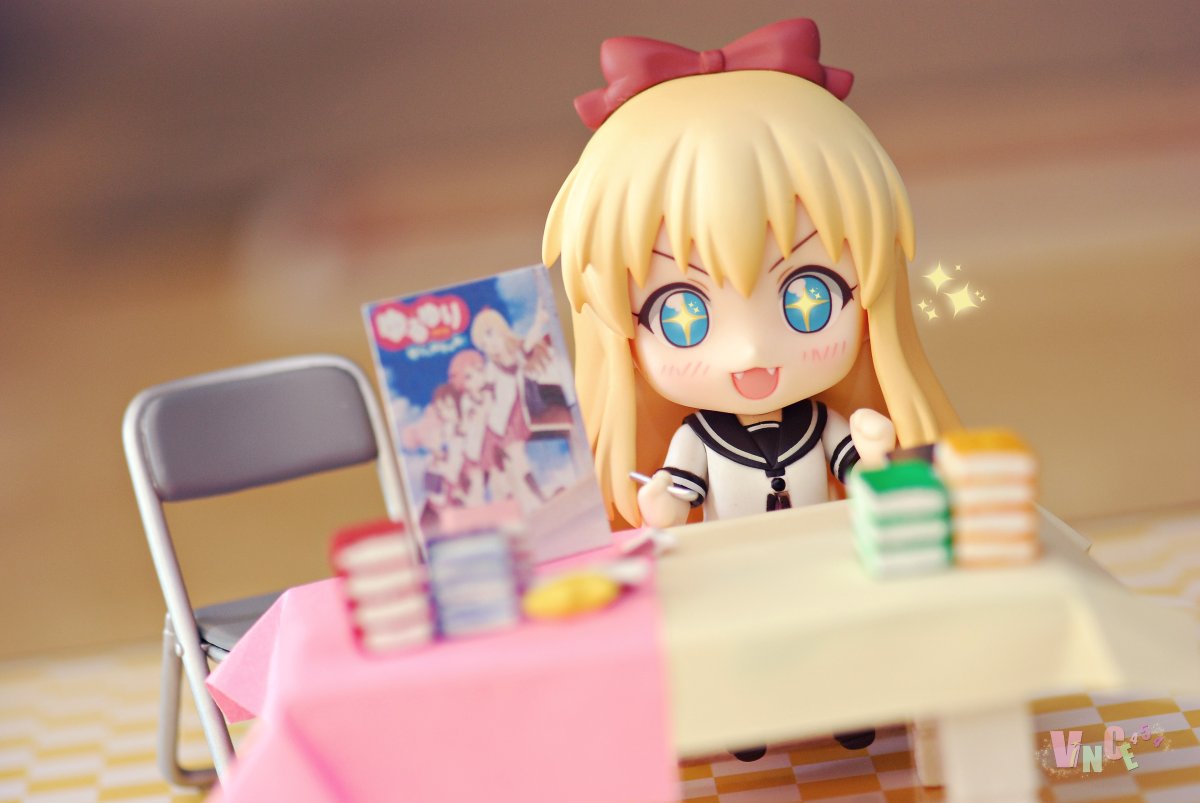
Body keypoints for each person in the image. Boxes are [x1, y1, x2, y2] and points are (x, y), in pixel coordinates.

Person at [542, 18, 959, 533]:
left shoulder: (822, 426)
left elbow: (861, 478)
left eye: (811, 297)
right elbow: (675, 503)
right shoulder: (696, 440)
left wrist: (875, 453)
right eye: (680, 316)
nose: (750, 350)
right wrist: (660, 504)